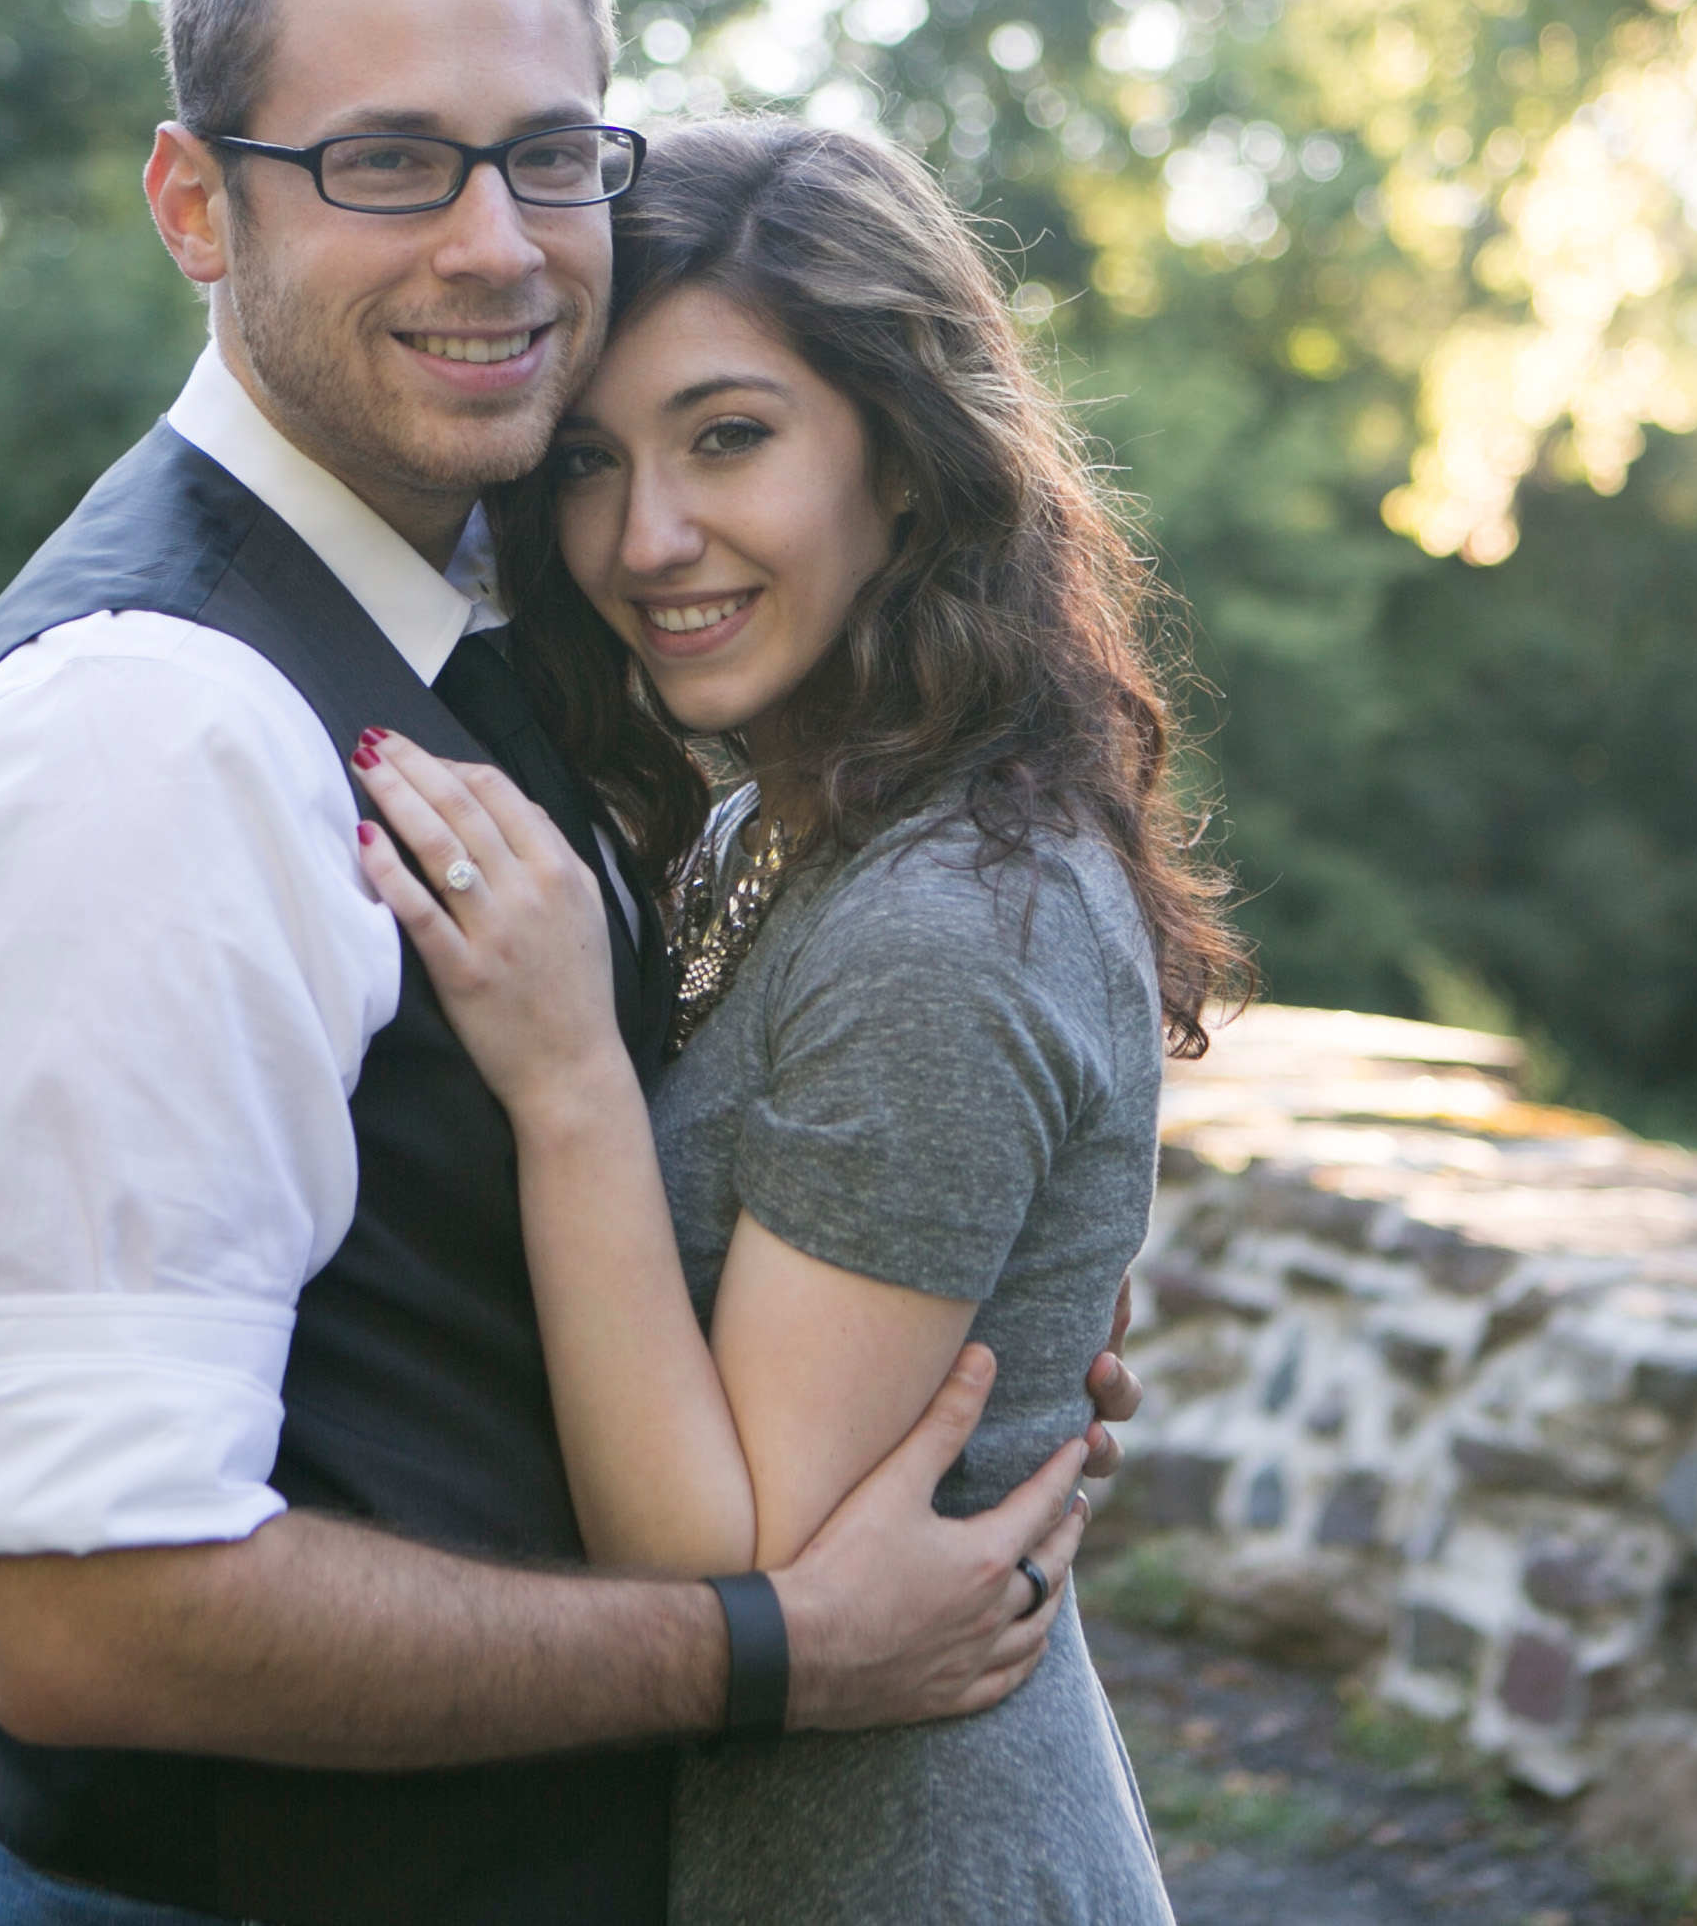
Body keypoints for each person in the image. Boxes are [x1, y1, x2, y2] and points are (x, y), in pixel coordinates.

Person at [0, 0, 1133, 1926]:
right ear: (196, 201)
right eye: (387, 159)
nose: (494, 239)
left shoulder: (472, 620)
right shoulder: (149, 729)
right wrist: (775, 1650)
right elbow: (95, 1618)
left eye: (549, 151)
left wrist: (980, 1284)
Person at [345, 116, 1244, 1922]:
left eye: (729, 437)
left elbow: (723, 1564)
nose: (644, 538)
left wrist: (570, 1079)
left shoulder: (946, 918)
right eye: (589, 462)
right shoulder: (794, 812)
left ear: (904, 462)